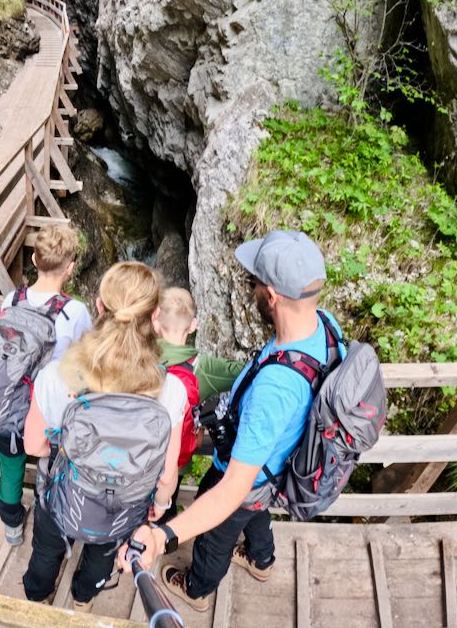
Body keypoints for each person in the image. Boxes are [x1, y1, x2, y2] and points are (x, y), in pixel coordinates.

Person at [121, 230, 342, 612]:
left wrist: (165, 536)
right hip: (276, 466)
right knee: (256, 511)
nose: (251, 287)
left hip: (248, 477)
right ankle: (262, 559)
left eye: (254, 281)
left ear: (271, 296)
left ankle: (197, 587)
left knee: (215, 538)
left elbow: (231, 492)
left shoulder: (275, 389)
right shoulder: (322, 325)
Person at [21, 262, 186, 612]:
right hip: (122, 508)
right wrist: (159, 506)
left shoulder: (57, 375)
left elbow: (33, 445)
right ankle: (83, 599)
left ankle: (37, 599)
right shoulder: (169, 390)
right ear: (155, 318)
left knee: (47, 549)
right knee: (102, 554)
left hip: (63, 496)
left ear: (98, 307)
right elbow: (168, 474)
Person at [0, 224, 92, 546]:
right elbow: (85, 356)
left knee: (10, 467)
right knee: (53, 465)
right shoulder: (75, 312)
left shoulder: (11, 299)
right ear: (71, 268)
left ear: (34, 259)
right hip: (50, 409)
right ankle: (52, 523)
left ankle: (11, 526)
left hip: (8, 402)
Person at [152, 287, 245, 523]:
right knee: (165, 506)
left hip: (139, 457)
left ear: (155, 319)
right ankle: (163, 535)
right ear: (193, 325)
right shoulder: (204, 368)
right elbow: (244, 373)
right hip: (176, 462)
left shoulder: (139, 357)